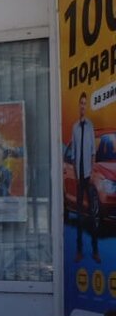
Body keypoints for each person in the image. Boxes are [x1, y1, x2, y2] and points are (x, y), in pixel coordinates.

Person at [70, 91, 101, 263]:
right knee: (80, 215)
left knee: (92, 215)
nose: (83, 106)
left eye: (85, 103)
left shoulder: (90, 126)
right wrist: (75, 175)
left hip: (88, 177)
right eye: (80, 103)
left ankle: (95, 250)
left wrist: (92, 173)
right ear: (78, 105)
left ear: (86, 105)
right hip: (79, 177)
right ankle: (79, 250)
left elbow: (93, 153)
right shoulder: (74, 127)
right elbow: (74, 154)